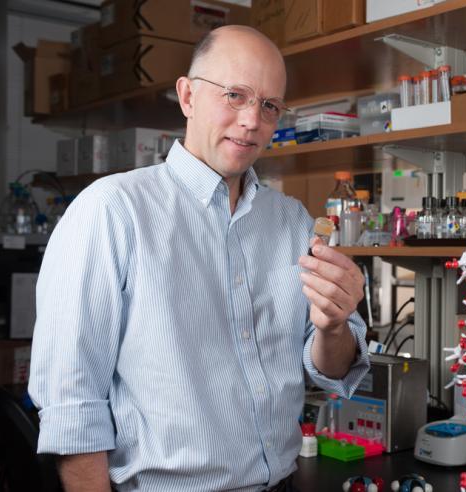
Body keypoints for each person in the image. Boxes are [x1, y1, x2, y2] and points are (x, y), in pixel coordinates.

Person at [29, 25, 370, 492]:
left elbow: (331, 371)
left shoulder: (293, 222)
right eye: (234, 95)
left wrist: (335, 326)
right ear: (187, 96)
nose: (252, 120)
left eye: (270, 105)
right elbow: (72, 403)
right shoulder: (112, 209)